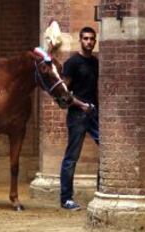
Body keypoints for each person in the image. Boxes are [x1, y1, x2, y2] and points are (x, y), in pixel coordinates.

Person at [60, 26, 99, 210]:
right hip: (77, 115)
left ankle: (102, 192)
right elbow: (63, 93)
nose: (89, 42)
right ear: (80, 40)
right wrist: (82, 105)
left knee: (108, 150)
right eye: (86, 39)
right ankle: (66, 199)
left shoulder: (96, 63)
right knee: (71, 158)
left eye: (92, 39)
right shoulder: (72, 63)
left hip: (94, 114)